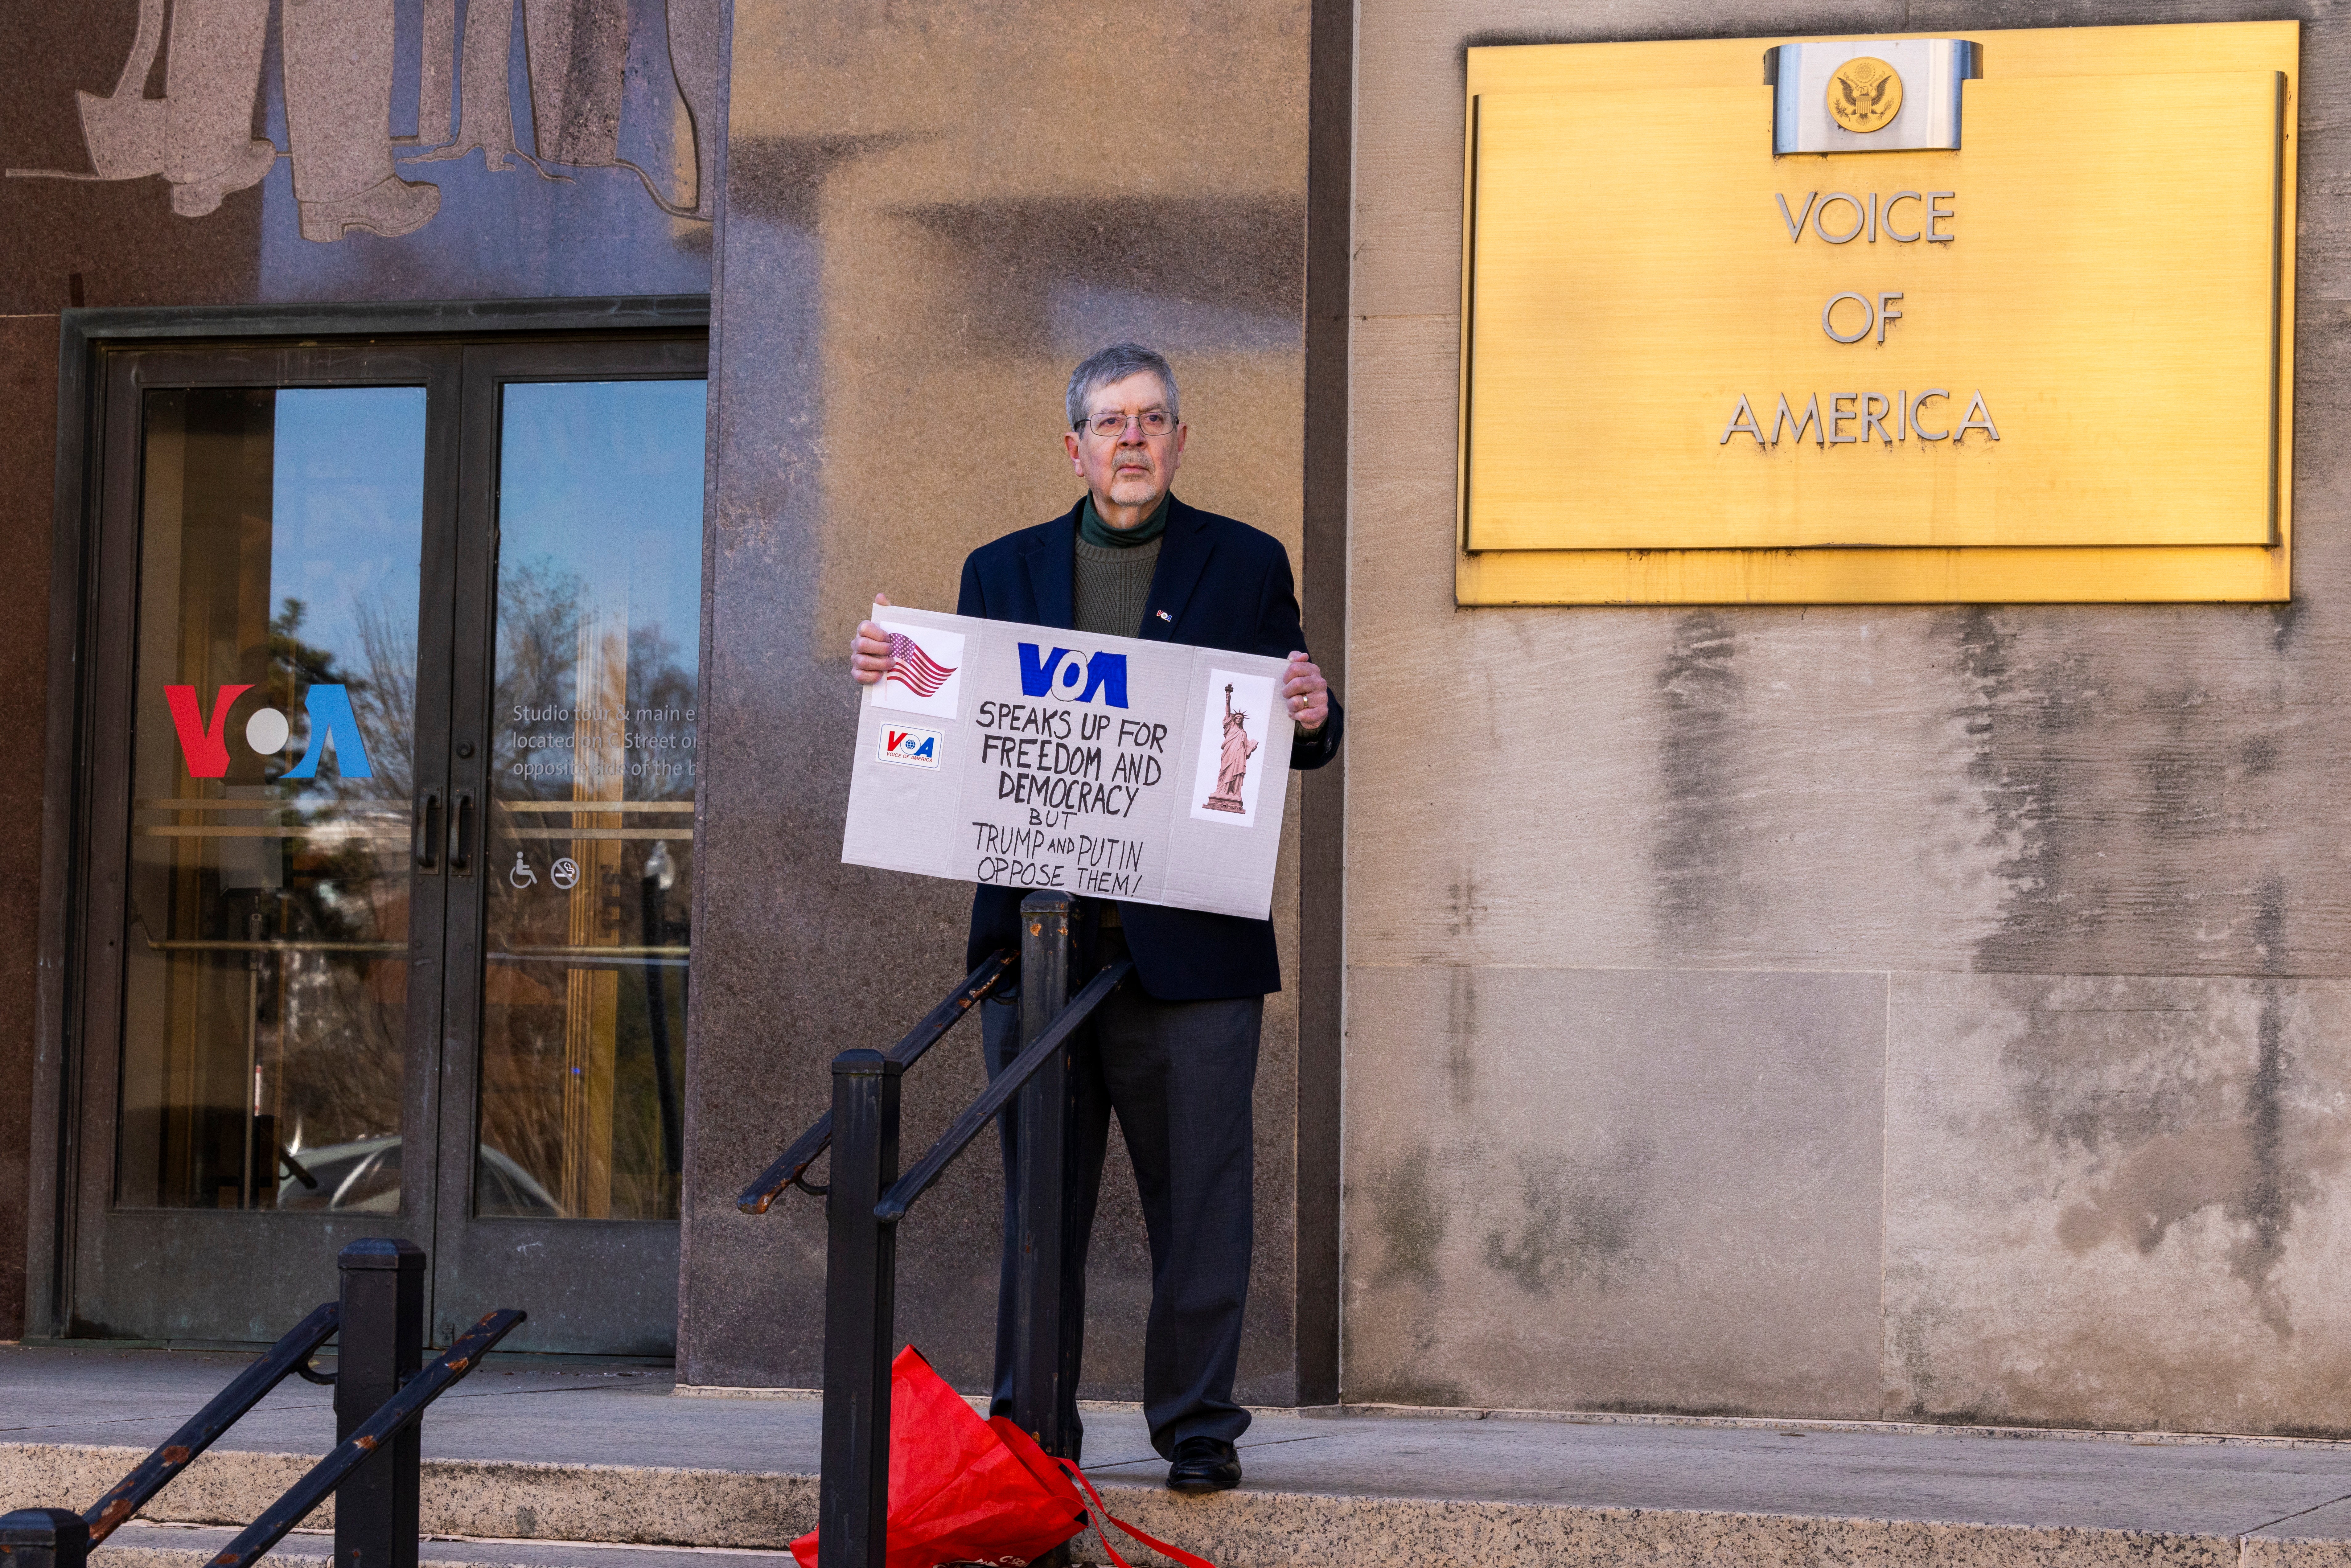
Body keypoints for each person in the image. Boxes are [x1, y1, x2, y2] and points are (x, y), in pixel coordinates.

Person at [849, 342, 1340, 1494]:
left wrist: (1315, 715)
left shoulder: (1244, 563)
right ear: (1071, 445)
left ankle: (1200, 1427)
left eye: (1154, 419)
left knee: (1204, 1208)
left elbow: (1289, 730)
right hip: (1040, 952)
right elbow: (955, 730)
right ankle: (1032, 1436)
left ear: (1179, 441)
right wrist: (888, 672)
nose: (1133, 439)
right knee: (1039, 1209)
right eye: (1111, 421)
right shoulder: (1001, 570)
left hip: (1194, 957)